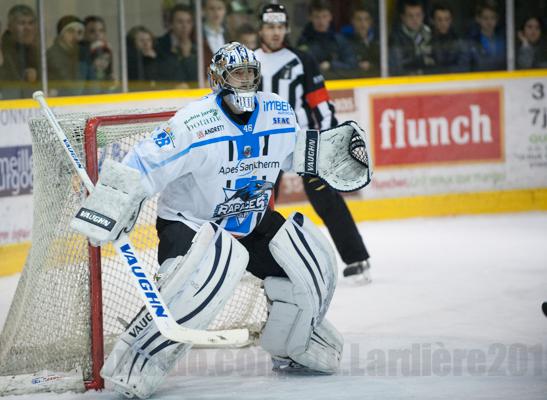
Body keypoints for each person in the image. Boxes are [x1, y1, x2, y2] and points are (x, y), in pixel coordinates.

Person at [70, 41, 371, 399]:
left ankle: (293, 345)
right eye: (237, 74)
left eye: (250, 73)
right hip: (191, 226)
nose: (245, 81)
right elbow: (145, 163)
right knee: (199, 283)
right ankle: (137, 361)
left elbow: (299, 152)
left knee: (312, 265)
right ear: (218, 79)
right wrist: (114, 201)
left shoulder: (277, 111)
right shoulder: (193, 123)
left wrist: (330, 153)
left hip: (250, 221)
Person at [255, 4, 371, 281]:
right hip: (265, 144)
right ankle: (256, 261)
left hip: (303, 141)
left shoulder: (302, 60)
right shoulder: (249, 60)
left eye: (280, 27)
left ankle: (357, 258)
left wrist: (329, 138)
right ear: (261, 28)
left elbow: (321, 103)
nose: (275, 32)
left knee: (326, 199)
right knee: (261, 203)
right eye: (270, 27)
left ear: (286, 28)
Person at [297, 0, 356, 79]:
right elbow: (299, 68)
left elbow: (352, 64)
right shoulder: (303, 42)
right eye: (317, 17)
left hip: (338, 83)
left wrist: (331, 65)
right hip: (313, 85)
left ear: (330, 17)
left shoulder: (340, 40)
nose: (321, 21)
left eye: (324, 16)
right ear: (310, 18)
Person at [0, 4, 40, 99]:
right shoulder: (4, 51)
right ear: (10, 27)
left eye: (31, 23)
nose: (27, 28)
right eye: (22, 23)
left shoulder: (35, 50)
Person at [389, 0, 435, 76]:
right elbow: (397, 67)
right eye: (410, 16)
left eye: (418, 15)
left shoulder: (430, 34)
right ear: (403, 17)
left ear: (423, 16)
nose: (415, 19)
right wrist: (421, 61)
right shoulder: (395, 38)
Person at [156, 4, 198, 87]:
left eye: (188, 22)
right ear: (171, 24)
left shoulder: (197, 47)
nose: (185, 26)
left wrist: (187, 57)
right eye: (180, 22)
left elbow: (196, 78)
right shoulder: (158, 45)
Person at [46, 15, 88, 96]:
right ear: (60, 34)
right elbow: (74, 90)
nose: (76, 37)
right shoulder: (53, 55)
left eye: (79, 32)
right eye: (70, 31)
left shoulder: (76, 52)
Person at [429, 1, 469, 73]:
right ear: (432, 21)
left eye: (447, 19)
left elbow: (463, 67)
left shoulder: (459, 41)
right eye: (439, 20)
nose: (443, 23)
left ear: (451, 20)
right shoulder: (426, 41)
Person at [468, 1, 506, 71]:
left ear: (497, 20)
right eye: (485, 18)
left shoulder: (504, 41)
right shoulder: (472, 42)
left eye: (492, 18)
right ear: (478, 19)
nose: (489, 22)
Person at [344, 4, 380, 77]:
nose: (363, 23)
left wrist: (371, 66)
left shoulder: (379, 42)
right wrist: (357, 65)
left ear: (370, 22)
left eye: (366, 19)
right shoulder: (345, 42)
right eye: (359, 19)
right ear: (352, 21)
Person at [126, 25, 161, 90]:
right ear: (132, 43)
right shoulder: (128, 62)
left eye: (148, 40)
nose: (146, 44)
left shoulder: (159, 59)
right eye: (141, 41)